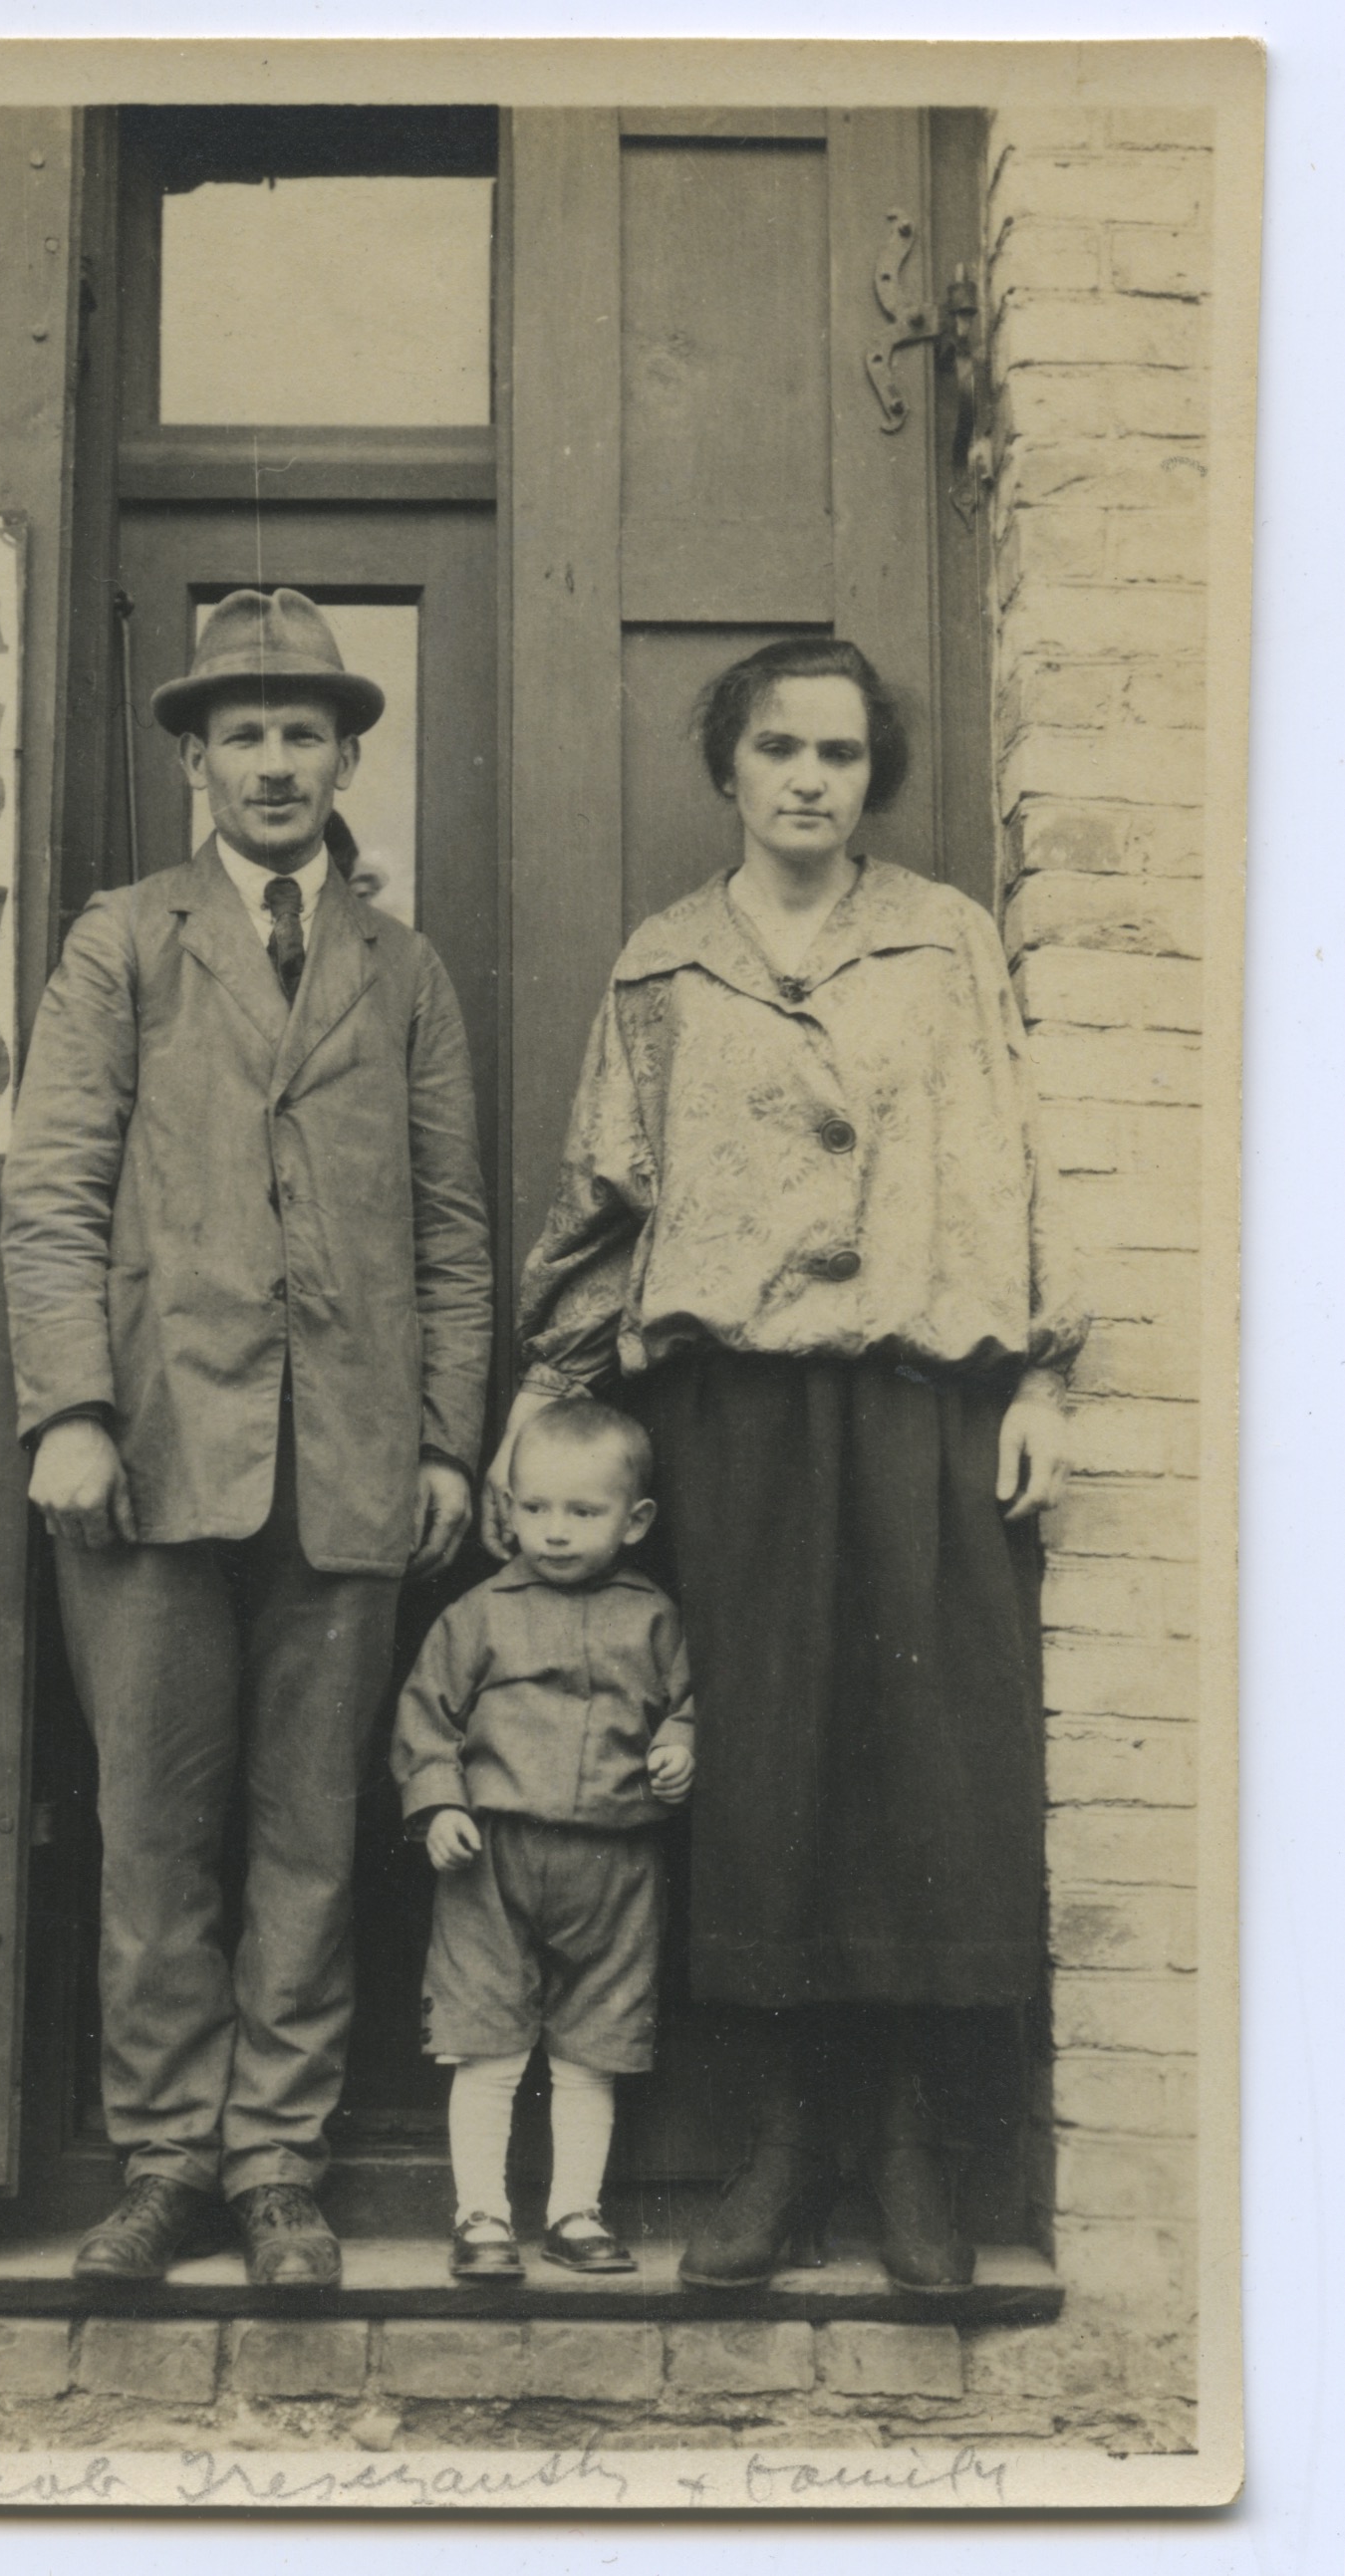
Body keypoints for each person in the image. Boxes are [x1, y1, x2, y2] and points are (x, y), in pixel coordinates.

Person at [485, 636, 1088, 2292]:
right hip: (735, 1414)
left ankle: (906, 2150)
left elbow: (1021, 1156)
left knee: (919, 1768)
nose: (808, 779)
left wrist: (1041, 1371)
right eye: (777, 749)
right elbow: (603, 1195)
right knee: (758, 1770)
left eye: (838, 753)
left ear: (869, 775)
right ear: (728, 769)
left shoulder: (944, 942)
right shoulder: (665, 964)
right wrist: (547, 1386)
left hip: (914, 1402)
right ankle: (780, 2142)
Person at [0, 589, 492, 2287]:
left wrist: (445, 1442)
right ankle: (166, 2160)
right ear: (193, 764)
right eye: (242, 735)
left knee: (310, 1835)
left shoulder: (401, 969)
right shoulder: (122, 942)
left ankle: (278, 2163)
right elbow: (52, 1191)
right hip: (149, 1453)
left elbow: (450, 1229)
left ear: (347, 759)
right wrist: (70, 1408)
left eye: (303, 733)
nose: (273, 763)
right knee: (151, 1831)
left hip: (350, 1464)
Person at [393, 1400, 695, 2281]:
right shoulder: (479, 1613)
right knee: (485, 2043)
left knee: (592, 2048)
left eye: (582, 1511)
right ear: (510, 1507)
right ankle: (480, 2215)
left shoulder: (654, 1618)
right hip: (491, 1860)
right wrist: (439, 1805)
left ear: (634, 1520)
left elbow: (688, 1702)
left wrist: (681, 1743)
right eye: (533, 1508)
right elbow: (425, 1717)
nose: (554, 1531)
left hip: (616, 1861)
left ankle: (574, 2212)